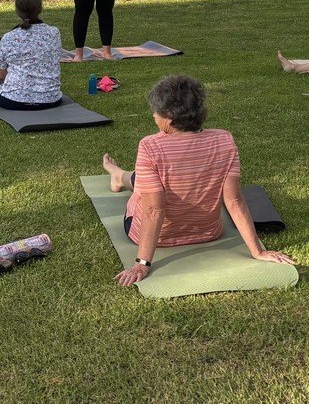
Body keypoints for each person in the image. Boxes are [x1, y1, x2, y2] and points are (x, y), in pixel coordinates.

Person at [100, 75, 294, 287]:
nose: (154, 116)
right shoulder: (224, 140)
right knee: (146, 179)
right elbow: (234, 201)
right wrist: (258, 251)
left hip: (158, 237)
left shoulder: (150, 146)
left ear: (170, 116)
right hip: (208, 232)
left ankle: (117, 175)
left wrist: (142, 264)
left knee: (141, 181)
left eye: (156, 112)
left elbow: (153, 211)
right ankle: (118, 175)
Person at [0, 0, 63, 110]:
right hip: (51, 99)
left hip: (13, 100)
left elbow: (1, 77)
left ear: (18, 11)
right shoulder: (54, 33)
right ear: (40, 8)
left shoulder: (8, 38)